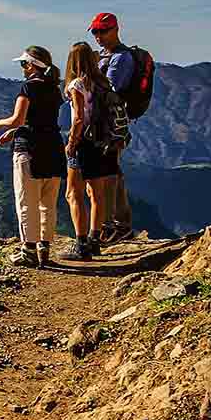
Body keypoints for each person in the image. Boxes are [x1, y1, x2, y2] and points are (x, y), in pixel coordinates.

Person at [0, 46, 66, 267]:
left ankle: (28, 251)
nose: (22, 68)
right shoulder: (53, 88)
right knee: (48, 203)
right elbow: (42, 122)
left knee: (26, 202)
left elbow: (18, 119)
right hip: (53, 148)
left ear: (32, 65)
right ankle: (44, 248)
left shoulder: (28, 87)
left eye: (24, 64)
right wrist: (15, 131)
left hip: (30, 151)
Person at [63, 41, 118, 261]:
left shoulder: (77, 84)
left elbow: (78, 117)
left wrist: (71, 142)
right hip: (103, 142)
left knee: (73, 193)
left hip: (84, 143)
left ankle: (81, 244)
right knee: (96, 194)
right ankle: (95, 241)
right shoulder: (103, 82)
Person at [88, 12, 134, 242]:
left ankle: (118, 225)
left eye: (102, 31)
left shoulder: (120, 58)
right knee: (110, 172)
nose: (98, 36)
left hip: (111, 126)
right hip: (104, 125)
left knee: (111, 173)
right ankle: (113, 224)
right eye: (95, 31)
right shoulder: (106, 56)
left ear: (115, 29)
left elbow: (112, 90)